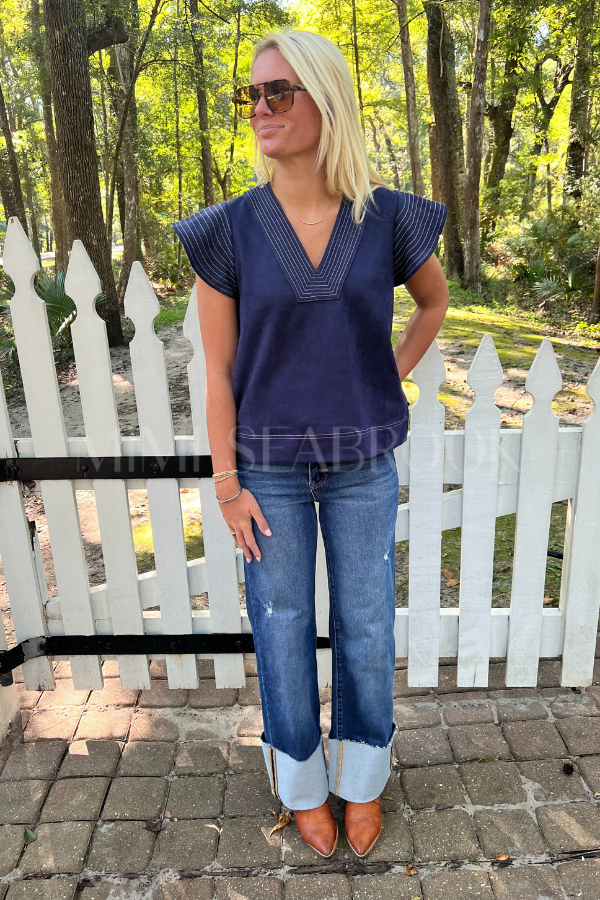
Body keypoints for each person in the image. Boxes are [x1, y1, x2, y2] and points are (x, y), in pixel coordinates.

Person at [174, 28, 448, 859]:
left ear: (326, 100)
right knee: (281, 623)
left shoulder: (389, 217)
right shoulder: (227, 231)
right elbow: (218, 372)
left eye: (278, 91)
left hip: (363, 466)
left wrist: (385, 375)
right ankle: (300, 786)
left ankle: (362, 779)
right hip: (268, 472)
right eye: (250, 94)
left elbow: (433, 304)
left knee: (365, 624)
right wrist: (227, 484)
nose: (260, 107)